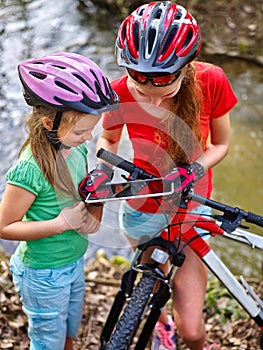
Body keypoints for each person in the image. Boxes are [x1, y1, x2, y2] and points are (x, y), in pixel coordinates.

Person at [79, 2, 238, 350]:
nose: (148, 89)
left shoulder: (211, 81)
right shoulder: (118, 91)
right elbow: (107, 138)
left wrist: (192, 170)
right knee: (149, 295)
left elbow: (222, 145)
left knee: (193, 330)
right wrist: (102, 172)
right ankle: (161, 327)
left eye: (163, 79)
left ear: (186, 66)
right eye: (138, 76)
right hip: (139, 209)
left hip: (191, 212)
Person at [0, 52, 119, 350]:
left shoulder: (74, 148)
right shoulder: (30, 169)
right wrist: (58, 224)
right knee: (46, 340)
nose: (89, 137)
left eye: (93, 127)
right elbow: (4, 227)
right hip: (43, 273)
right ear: (49, 123)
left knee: (70, 329)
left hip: (74, 261)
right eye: (81, 130)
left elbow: (89, 222)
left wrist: (99, 196)